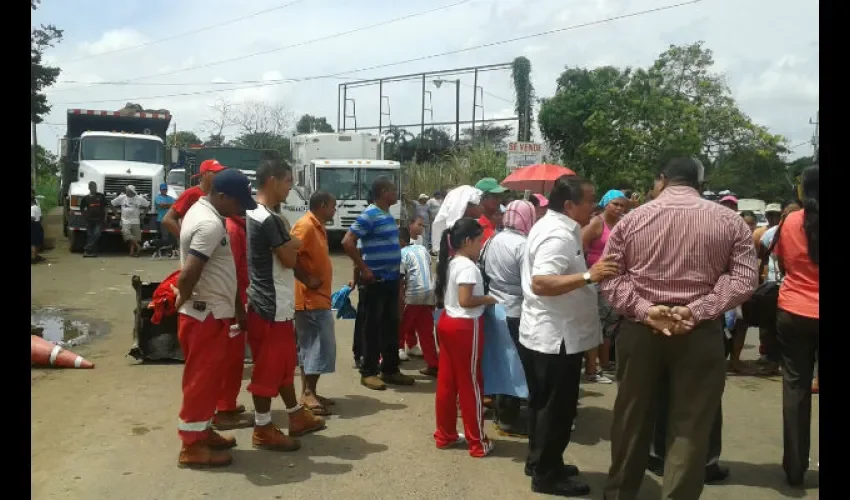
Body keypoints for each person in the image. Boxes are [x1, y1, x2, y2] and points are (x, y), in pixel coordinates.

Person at [601, 157, 758, 500]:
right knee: (690, 425)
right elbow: (745, 280)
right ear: (700, 183)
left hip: (641, 331)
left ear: (662, 179)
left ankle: (619, 493)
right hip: (699, 333)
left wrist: (646, 310)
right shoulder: (730, 221)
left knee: (631, 419)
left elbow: (610, 278)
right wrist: (696, 310)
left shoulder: (632, 220)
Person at [519, 175, 617, 497]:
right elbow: (541, 282)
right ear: (570, 205)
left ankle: (541, 462)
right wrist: (590, 275)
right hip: (556, 336)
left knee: (543, 404)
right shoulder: (557, 235)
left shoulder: (557, 227)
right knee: (556, 409)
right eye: (590, 200)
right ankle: (547, 475)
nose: (595, 206)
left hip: (548, 332)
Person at [172, 168, 257, 468]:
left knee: (209, 381)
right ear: (222, 196)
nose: (240, 209)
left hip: (211, 312)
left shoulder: (204, 213)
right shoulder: (209, 224)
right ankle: (191, 446)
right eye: (238, 202)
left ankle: (203, 431)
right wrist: (182, 299)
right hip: (204, 314)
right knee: (201, 381)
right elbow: (189, 273)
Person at [245, 157, 327, 451]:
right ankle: (263, 427)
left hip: (274, 304)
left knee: (282, 366)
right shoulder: (266, 218)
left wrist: (290, 243)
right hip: (270, 306)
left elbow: (288, 249)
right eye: (288, 182)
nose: (290, 188)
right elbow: (290, 258)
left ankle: (295, 415)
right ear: (273, 181)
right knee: (268, 371)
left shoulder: (263, 215)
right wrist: (294, 244)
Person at [342, 177, 415, 391]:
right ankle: (369, 372)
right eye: (393, 190)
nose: (396, 193)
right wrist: (364, 269)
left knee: (391, 327)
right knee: (372, 328)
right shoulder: (369, 215)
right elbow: (347, 241)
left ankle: (390, 370)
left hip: (390, 280)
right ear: (383, 192)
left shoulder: (387, 215)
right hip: (375, 281)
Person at [433, 217, 496, 457]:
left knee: (447, 383)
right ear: (468, 241)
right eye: (479, 241)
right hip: (465, 326)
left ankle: (445, 434)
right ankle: (478, 442)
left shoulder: (452, 262)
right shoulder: (468, 267)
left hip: (449, 323)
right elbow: (466, 300)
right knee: (471, 385)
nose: (481, 245)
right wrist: (490, 298)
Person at [773, 165, 819, 487]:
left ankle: (795, 466)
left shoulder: (789, 221)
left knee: (795, 386)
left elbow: (782, 261)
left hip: (794, 310)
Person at [484, 199, 536, 436]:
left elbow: (484, 267)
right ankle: (508, 419)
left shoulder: (494, 239)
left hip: (495, 306)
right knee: (515, 364)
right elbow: (529, 282)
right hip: (515, 309)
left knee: (500, 360)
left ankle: (500, 411)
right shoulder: (523, 245)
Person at [291, 191, 338, 417]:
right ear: (322, 205)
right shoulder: (306, 226)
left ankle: (310, 392)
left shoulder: (318, 226)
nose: (335, 210)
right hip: (309, 299)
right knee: (318, 348)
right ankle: (308, 393)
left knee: (312, 348)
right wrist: (307, 279)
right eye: (333, 206)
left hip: (319, 297)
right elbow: (289, 254)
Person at [581, 189, 628, 384]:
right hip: (596, 281)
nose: (619, 208)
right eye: (615, 204)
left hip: (615, 280)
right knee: (597, 323)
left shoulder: (622, 224)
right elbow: (580, 245)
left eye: (622, 205)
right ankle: (594, 366)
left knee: (611, 324)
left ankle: (605, 363)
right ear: (605, 204)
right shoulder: (596, 223)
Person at [214, 212, 254, 431]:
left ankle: (226, 403)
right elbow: (231, 274)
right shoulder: (233, 229)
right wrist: (239, 309)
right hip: (232, 304)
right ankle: (224, 409)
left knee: (234, 359)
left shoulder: (236, 227)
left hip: (234, 301)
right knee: (230, 360)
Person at [398, 226, 439, 375]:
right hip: (429, 292)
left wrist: (400, 301)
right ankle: (433, 364)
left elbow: (401, 280)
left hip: (413, 294)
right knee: (426, 330)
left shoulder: (401, 254)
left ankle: (392, 357)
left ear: (400, 241)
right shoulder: (422, 249)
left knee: (400, 326)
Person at [163, 159, 226, 240]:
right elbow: (168, 219)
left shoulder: (219, 195)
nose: (219, 175)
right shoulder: (190, 194)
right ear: (204, 174)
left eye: (220, 172)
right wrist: (185, 240)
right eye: (215, 172)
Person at [430, 185, 483, 253]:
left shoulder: (475, 224)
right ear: (467, 205)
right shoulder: (456, 234)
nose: (482, 208)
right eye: (480, 204)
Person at [111, 185, 150, 257]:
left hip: (136, 220)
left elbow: (148, 205)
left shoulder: (139, 198)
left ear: (132, 192)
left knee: (136, 237)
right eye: (126, 190)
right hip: (125, 220)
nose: (126, 192)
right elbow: (112, 203)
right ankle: (138, 246)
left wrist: (144, 214)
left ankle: (132, 252)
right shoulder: (122, 197)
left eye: (128, 191)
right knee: (126, 233)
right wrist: (116, 214)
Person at [473, 177, 507, 244]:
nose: (500, 200)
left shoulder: (495, 224)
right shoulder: (476, 227)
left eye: (500, 196)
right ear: (482, 198)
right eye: (496, 196)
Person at [79, 181, 107, 258]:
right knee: (90, 235)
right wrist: (84, 215)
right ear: (89, 188)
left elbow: (105, 207)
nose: (94, 188)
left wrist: (105, 217)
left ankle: (87, 248)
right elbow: (82, 208)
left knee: (97, 234)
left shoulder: (101, 196)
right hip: (89, 220)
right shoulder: (86, 198)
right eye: (93, 187)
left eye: (95, 187)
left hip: (99, 219)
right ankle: (90, 252)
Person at [152, 183, 176, 250]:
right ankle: (163, 250)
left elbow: (175, 205)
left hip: (170, 220)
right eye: (163, 189)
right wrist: (170, 205)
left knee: (172, 236)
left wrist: (166, 205)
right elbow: (161, 206)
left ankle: (170, 250)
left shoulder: (170, 198)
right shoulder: (158, 197)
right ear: (160, 190)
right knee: (164, 236)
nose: (164, 190)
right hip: (161, 220)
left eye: (165, 189)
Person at [31, 191, 45, 264]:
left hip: (33, 225)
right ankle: (35, 256)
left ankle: (33, 258)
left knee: (33, 243)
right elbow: (41, 218)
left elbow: (32, 218)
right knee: (37, 242)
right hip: (38, 225)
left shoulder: (31, 208)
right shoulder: (37, 208)